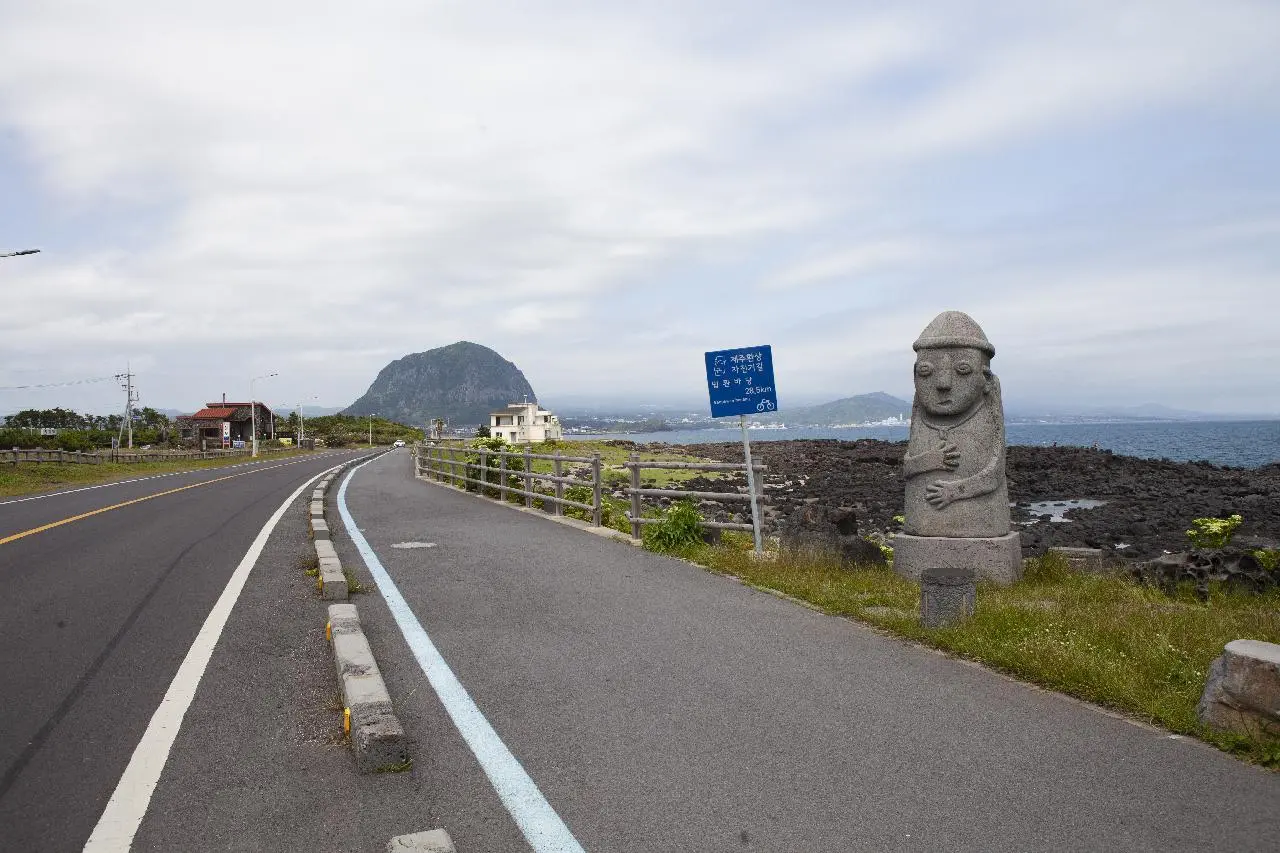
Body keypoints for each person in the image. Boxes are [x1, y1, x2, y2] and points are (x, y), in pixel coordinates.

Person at [902, 311, 1011, 539]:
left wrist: (955, 491)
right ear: (914, 377)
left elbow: (994, 474)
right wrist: (929, 460)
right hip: (923, 523)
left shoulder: (986, 416)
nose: (943, 383)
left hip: (981, 522)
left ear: (987, 380)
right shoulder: (921, 416)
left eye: (962, 370)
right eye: (926, 372)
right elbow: (908, 469)